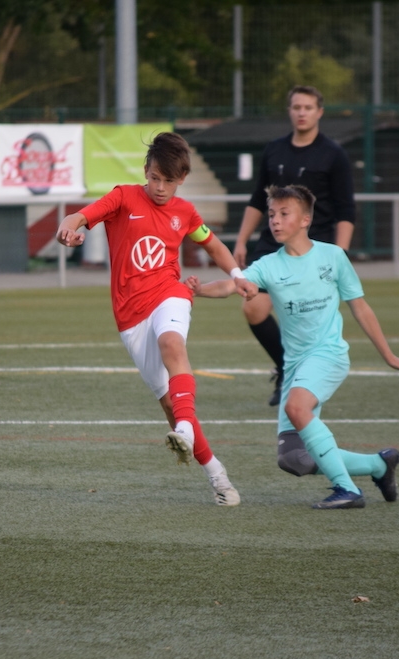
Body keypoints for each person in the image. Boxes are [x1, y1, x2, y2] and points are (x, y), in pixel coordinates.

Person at [55, 132, 252, 506]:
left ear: (182, 179)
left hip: (169, 293)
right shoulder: (123, 197)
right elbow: (78, 216)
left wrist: (237, 276)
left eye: (169, 180)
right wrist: (68, 230)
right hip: (130, 317)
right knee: (170, 406)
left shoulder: (186, 213)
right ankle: (218, 476)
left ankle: (185, 431)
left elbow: (212, 245)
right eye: (155, 178)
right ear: (146, 171)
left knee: (172, 343)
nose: (160, 187)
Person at [189, 185, 399, 509]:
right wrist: (198, 290)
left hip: (328, 355)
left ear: (306, 219)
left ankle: (347, 490)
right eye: (271, 215)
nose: (275, 221)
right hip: (295, 365)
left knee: (296, 408)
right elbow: (231, 285)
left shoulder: (333, 256)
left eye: (284, 214)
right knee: (294, 458)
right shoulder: (268, 265)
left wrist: (389, 356)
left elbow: (360, 308)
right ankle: (379, 465)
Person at [232, 85, 356, 406]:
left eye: (308, 107)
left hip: (316, 244)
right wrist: (242, 240)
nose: (302, 113)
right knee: (253, 306)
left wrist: (340, 255)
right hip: (272, 242)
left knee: (306, 317)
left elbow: (346, 210)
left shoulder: (333, 154)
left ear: (319, 112)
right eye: (296, 107)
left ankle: (309, 376)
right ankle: (286, 368)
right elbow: (257, 200)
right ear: (289, 111)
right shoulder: (274, 150)